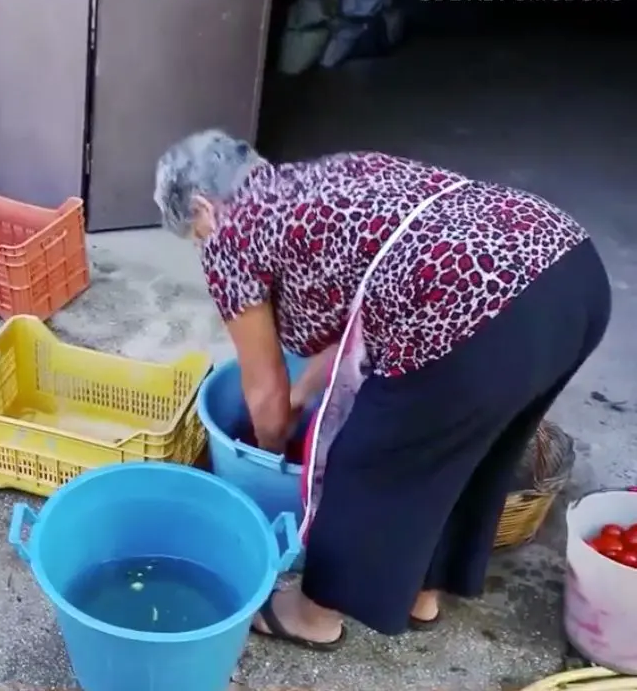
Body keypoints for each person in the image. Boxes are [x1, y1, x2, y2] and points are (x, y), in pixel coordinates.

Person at [154, 130, 610, 648]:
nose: (201, 244)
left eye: (194, 233)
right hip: (570, 272)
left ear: (202, 207)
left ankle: (313, 614)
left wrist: (272, 446)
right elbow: (366, 315)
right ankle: (422, 591)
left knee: (366, 461)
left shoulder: (231, 235)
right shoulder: (320, 176)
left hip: (476, 307)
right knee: (470, 446)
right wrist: (304, 394)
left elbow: (263, 400)